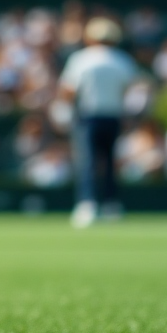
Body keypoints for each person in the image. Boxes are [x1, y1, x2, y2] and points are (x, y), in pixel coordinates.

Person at [57, 16, 139, 227]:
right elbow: (130, 90)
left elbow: (68, 90)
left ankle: (88, 205)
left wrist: (63, 112)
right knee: (110, 162)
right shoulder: (122, 59)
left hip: (88, 116)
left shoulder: (81, 59)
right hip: (113, 116)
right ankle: (111, 205)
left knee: (88, 162)